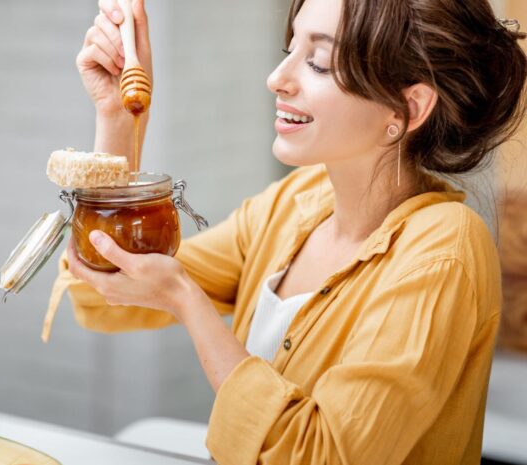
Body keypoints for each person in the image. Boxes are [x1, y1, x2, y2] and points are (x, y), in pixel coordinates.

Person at [50, 0, 527, 463]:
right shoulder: (296, 202)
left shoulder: (444, 250)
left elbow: (320, 455)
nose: (276, 79)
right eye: (289, 50)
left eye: (318, 63)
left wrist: (187, 302)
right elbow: (104, 292)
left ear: (409, 107)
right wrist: (119, 119)